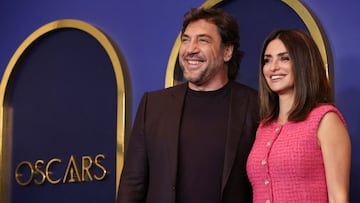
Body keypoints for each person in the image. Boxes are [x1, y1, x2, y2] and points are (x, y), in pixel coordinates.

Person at [117, 7, 259, 203]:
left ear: (227, 51)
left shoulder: (255, 106)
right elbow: (132, 183)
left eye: (203, 40)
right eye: (186, 39)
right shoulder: (153, 105)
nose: (190, 49)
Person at [246, 29, 351, 203]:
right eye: (267, 60)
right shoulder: (264, 126)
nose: (273, 67)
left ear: (303, 64)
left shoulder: (325, 119)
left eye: (284, 58)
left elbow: (338, 198)